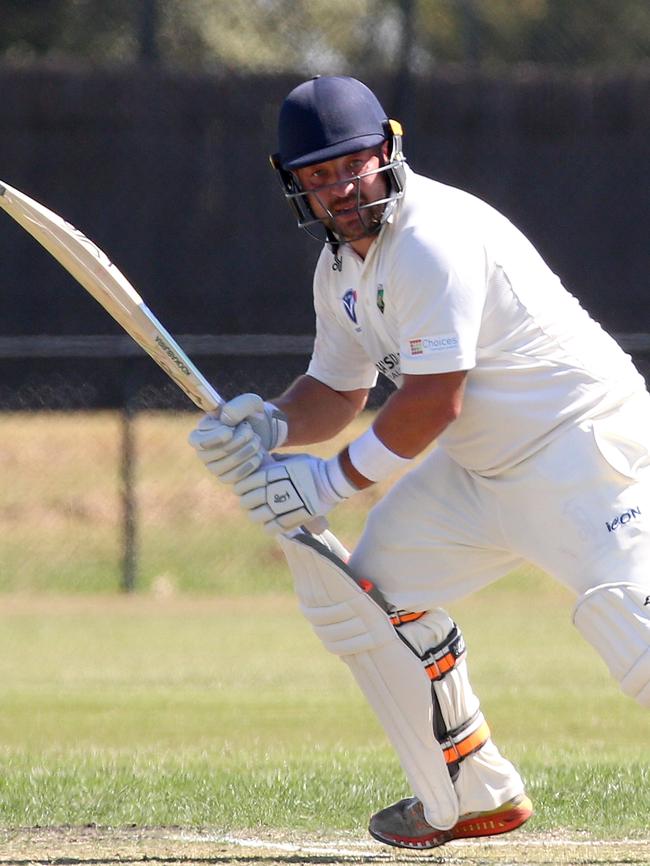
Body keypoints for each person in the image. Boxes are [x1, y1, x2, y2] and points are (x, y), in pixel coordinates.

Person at [189, 75, 650, 849]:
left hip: (582, 449)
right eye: (320, 174)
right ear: (293, 180)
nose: (340, 186)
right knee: (366, 599)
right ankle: (469, 788)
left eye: (352, 164)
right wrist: (269, 423)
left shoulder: (432, 237)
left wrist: (330, 480)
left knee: (629, 625)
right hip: (481, 473)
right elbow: (337, 390)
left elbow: (435, 400)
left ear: (387, 150)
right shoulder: (339, 272)